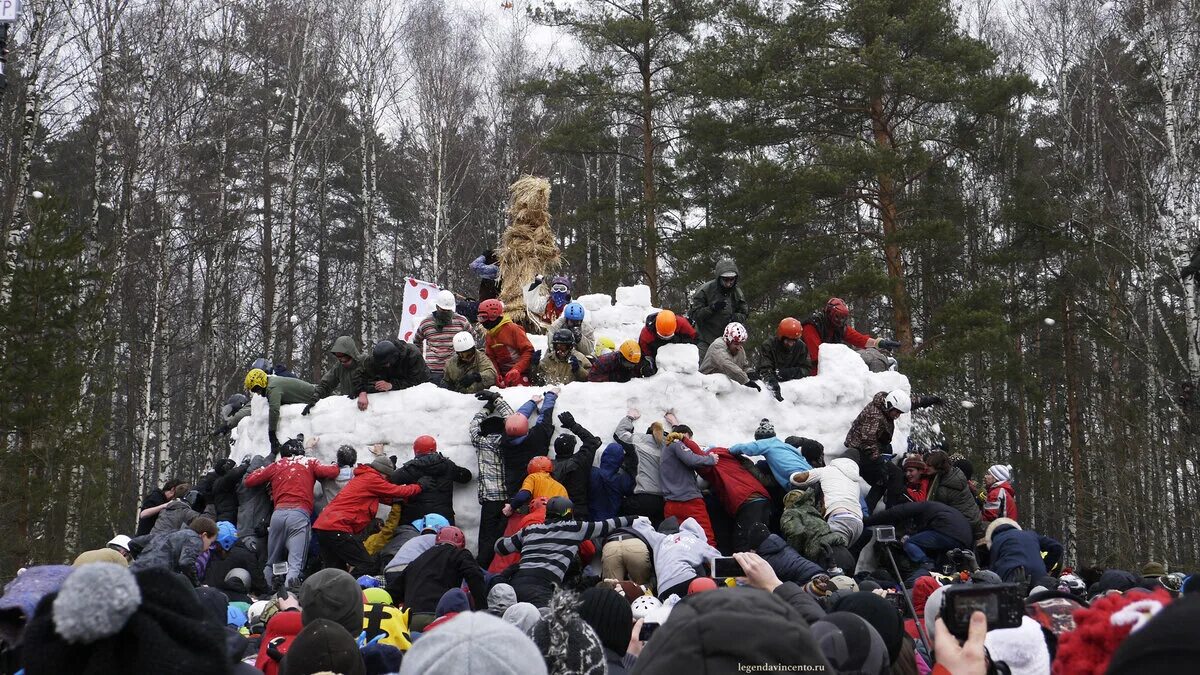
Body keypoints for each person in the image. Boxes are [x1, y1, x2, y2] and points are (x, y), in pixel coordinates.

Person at [495, 497, 633, 607]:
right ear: (569, 513)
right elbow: (607, 525)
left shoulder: (530, 529)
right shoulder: (573, 528)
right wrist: (636, 519)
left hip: (516, 583)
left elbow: (500, 548)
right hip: (543, 587)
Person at [243, 438, 340, 590]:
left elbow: (249, 481)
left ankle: (266, 591)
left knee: (272, 562)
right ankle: (291, 597)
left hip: (277, 515)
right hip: (299, 515)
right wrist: (336, 464)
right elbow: (332, 472)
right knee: (296, 563)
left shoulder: (277, 465)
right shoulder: (308, 462)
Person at [311, 454, 425, 577]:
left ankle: (336, 593)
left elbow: (384, 497)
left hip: (324, 527)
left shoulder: (364, 478)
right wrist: (419, 487)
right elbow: (398, 491)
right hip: (337, 527)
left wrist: (395, 501)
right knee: (367, 565)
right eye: (387, 477)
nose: (386, 481)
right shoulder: (372, 478)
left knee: (336, 572)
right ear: (383, 473)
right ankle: (352, 589)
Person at [844, 389, 944, 511]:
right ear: (890, 406)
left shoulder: (888, 404)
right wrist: (879, 460)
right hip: (861, 452)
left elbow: (907, 402)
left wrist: (927, 401)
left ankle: (870, 511)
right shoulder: (874, 415)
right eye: (896, 412)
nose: (897, 416)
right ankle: (889, 512)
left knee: (884, 479)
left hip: (874, 449)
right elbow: (867, 441)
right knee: (893, 475)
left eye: (899, 413)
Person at [390, 526, 487, 633]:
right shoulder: (459, 554)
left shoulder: (418, 560)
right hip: (437, 617)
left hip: (410, 619)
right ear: (461, 543)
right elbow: (475, 576)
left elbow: (394, 591)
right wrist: (481, 608)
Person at [470, 390, 518, 568]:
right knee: (506, 537)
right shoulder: (508, 441)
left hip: (490, 502)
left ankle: (482, 568)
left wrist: (487, 408)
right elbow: (515, 420)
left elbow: (474, 425)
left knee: (486, 541)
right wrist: (497, 400)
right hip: (508, 500)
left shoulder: (481, 442)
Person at [694, 445, 773, 552]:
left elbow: (701, 483)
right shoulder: (731, 457)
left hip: (746, 500)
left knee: (743, 544)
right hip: (762, 497)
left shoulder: (710, 461)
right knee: (761, 541)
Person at [863, 501, 973, 575]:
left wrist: (867, 521)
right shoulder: (936, 509)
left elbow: (893, 513)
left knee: (910, 543)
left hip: (947, 532)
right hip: (964, 538)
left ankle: (926, 564)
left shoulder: (918, 507)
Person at [801, 297, 901, 374]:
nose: (840, 321)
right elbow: (817, 356)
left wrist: (879, 343)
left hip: (829, 367)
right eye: (837, 317)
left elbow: (859, 339)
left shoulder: (838, 327)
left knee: (870, 353)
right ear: (829, 313)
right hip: (810, 371)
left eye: (843, 318)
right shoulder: (811, 326)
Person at [787, 449, 864, 548]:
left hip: (840, 519)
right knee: (841, 555)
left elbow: (798, 479)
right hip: (858, 523)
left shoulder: (827, 470)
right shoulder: (855, 481)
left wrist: (792, 474)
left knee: (825, 554)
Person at [630, 515, 721, 599]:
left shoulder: (661, 539)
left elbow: (639, 524)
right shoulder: (696, 541)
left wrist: (645, 520)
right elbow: (718, 560)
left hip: (663, 589)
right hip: (687, 579)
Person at [390, 435, 472, 524]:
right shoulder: (448, 465)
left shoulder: (411, 468)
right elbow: (466, 477)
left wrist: (391, 465)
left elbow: (391, 480)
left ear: (416, 451)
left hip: (416, 519)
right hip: (443, 519)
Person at [659, 427, 718, 546]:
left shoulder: (665, 450)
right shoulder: (676, 443)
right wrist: (711, 459)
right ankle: (710, 564)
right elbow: (691, 459)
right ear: (685, 435)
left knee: (677, 542)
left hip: (670, 503)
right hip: (689, 502)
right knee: (706, 538)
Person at [614, 408, 670, 524]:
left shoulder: (641, 440)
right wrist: (675, 425)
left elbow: (619, 434)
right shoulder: (669, 446)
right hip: (663, 503)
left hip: (643, 499)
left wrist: (629, 418)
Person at [129, 516, 219, 586]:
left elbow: (133, 543)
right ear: (204, 535)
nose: (208, 548)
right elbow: (186, 563)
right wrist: (197, 585)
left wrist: (142, 560)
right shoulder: (195, 538)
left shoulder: (170, 534)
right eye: (211, 542)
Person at [689, 257, 750, 360]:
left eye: (732, 279)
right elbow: (694, 315)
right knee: (702, 369)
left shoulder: (737, 293)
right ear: (719, 278)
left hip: (728, 342)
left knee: (731, 369)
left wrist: (735, 317)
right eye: (725, 279)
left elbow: (744, 313)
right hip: (705, 339)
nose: (728, 283)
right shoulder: (705, 290)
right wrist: (711, 308)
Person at [245, 368, 317, 451]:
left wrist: (272, 434)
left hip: (317, 395)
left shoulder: (272, 388)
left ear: (261, 383)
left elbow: (274, 410)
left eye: (256, 389)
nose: (257, 393)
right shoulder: (271, 382)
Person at [728, 418, 812, 489]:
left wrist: (729, 450)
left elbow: (745, 448)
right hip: (812, 473)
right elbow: (801, 458)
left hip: (796, 480)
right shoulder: (785, 446)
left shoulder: (766, 443)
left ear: (760, 438)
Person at [414, 290, 477, 384]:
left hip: (456, 369)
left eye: (448, 310)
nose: (446, 313)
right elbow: (417, 341)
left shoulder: (461, 321)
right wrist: (421, 363)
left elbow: (473, 338)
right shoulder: (426, 323)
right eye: (443, 310)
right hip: (433, 371)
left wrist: (467, 358)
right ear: (437, 307)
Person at [924, 450, 985, 544]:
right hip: (974, 520)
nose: (925, 467)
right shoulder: (955, 474)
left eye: (929, 465)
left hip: (965, 525)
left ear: (938, 467)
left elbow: (936, 510)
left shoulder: (944, 489)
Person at [352, 339, 430, 411]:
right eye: (382, 365)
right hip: (392, 387)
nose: (386, 366)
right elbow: (359, 374)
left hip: (418, 390)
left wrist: (391, 385)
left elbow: (417, 381)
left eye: (387, 364)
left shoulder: (413, 355)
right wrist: (361, 392)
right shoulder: (378, 358)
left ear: (395, 357)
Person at [550, 411, 601, 519]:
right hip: (578, 512)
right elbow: (593, 442)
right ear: (572, 448)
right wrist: (573, 425)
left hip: (555, 512)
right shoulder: (579, 461)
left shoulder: (548, 467)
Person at [984, 519, 1063, 585]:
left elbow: (993, 571)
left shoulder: (997, 541)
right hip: (1038, 576)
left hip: (1010, 577)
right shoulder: (1031, 534)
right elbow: (1057, 547)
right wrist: (1044, 567)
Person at [478, 298, 535, 387]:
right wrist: (497, 374)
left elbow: (528, 351)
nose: (482, 322)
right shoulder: (489, 335)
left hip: (521, 373)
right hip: (504, 375)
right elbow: (491, 357)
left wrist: (517, 369)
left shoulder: (513, 329)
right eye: (480, 318)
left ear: (493, 315)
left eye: (483, 317)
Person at [755, 317, 814, 401]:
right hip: (769, 389)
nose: (790, 344)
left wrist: (790, 373)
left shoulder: (801, 347)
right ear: (781, 337)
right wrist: (772, 383)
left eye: (793, 341)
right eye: (788, 341)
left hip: (793, 388)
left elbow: (807, 369)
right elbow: (764, 370)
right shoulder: (769, 346)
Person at [304, 336, 362, 415]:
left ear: (350, 353)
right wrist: (315, 398)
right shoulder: (339, 367)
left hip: (368, 407)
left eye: (344, 357)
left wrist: (361, 392)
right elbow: (326, 384)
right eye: (339, 358)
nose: (342, 361)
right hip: (349, 409)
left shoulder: (365, 363)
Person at [700, 322, 759, 390]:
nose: (739, 347)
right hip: (706, 387)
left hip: (726, 389)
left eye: (741, 343)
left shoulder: (740, 350)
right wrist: (745, 380)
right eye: (736, 344)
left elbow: (743, 366)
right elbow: (726, 364)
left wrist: (750, 372)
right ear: (728, 340)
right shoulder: (717, 346)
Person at [589, 442, 635, 521]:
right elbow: (633, 488)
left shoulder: (592, 473)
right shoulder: (622, 479)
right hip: (612, 521)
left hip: (591, 519)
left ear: (604, 455)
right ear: (620, 461)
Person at [588, 340, 656, 382]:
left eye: (632, 365)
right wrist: (612, 377)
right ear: (621, 356)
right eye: (628, 364)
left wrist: (644, 370)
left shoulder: (637, 361)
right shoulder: (604, 361)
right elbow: (591, 378)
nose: (630, 367)